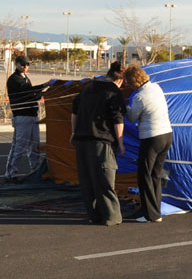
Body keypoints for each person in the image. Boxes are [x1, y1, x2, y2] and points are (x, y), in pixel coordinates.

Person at [71, 61, 126, 226]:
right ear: (120, 80)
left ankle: (94, 214)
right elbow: (118, 119)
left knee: (87, 180)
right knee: (105, 179)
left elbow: (74, 112)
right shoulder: (113, 92)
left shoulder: (87, 88)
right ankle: (111, 216)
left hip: (81, 139)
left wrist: (73, 132)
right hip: (101, 141)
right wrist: (121, 142)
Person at [123, 65, 173, 223]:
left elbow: (131, 118)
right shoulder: (157, 88)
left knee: (145, 175)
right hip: (166, 134)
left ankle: (149, 214)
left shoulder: (140, 97)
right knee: (156, 175)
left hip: (151, 137)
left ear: (133, 82)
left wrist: (125, 105)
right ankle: (155, 210)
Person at [5, 55, 49, 183]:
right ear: (17, 64)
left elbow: (31, 96)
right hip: (22, 116)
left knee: (35, 145)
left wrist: (41, 94)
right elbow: (27, 92)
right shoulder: (14, 79)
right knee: (19, 146)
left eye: (27, 64)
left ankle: (35, 170)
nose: (25, 67)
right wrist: (44, 85)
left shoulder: (25, 78)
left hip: (32, 116)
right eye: (23, 64)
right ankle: (10, 174)